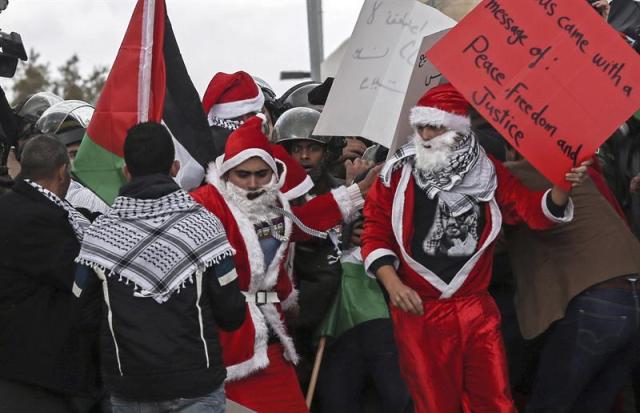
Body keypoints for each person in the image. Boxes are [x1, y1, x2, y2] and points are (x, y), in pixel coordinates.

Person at [361, 83, 589, 412]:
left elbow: (532, 213)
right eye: (421, 126)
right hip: (419, 313)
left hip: (475, 310)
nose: (425, 135)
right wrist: (391, 282)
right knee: (436, 405)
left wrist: (561, 186)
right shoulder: (396, 174)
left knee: (495, 403)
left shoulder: (487, 171)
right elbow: (374, 230)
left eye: (435, 126)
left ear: (457, 127)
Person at [190, 115, 376, 413]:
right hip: (225, 345)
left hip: (270, 336)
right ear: (226, 174)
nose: (253, 183)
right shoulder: (205, 204)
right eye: (243, 174)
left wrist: (357, 193)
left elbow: (304, 223)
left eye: (261, 174)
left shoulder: (274, 205)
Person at [74, 121, 246, 412]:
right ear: (175, 167)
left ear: (126, 171)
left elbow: (81, 313)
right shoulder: (204, 226)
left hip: (130, 386)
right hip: (197, 384)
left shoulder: (99, 234)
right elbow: (231, 314)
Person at [504, 155, 640, 412]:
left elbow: (489, 239)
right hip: (632, 297)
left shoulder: (513, 175)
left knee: (549, 404)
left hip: (599, 302)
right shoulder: (572, 173)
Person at [0, 134, 96, 413]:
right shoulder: (41, 218)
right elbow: (78, 277)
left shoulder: (10, 206)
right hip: (36, 373)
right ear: (63, 171)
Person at [202, 70, 314, 200]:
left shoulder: (198, 150)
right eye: (243, 174)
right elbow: (305, 208)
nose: (252, 184)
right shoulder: (275, 155)